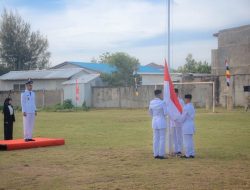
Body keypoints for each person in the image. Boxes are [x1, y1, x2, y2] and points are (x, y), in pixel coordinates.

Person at [149, 89, 168, 159]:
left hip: (154, 120)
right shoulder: (162, 102)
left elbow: (150, 112)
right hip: (161, 120)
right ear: (159, 94)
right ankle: (161, 154)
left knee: (155, 138)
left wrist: (154, 116)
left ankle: (155, 154)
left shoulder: (151, 102)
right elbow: (165, 113)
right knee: (162, 138)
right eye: (162, 94)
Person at [179, 94, 196, 158]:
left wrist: (178, 119)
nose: (185, 100)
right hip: (191, 124)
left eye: (185, 99)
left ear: (188, 99)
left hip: (186, 125)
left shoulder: (186, 107)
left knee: (186, 141)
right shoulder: (192, 106)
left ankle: (187, 154)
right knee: (190, 140)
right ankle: (192, 153)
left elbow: (183, 118)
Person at [170, 88, 185, 155]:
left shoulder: (181, 101)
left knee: (179, 135)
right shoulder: (171, 101)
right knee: (174, 136)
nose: (174, 94)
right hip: (172, 121)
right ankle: (175, 149)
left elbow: (183, 111)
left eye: (175, 93)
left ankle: (179, 149)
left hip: (178, 120)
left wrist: (179, 118)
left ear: (177, 93)